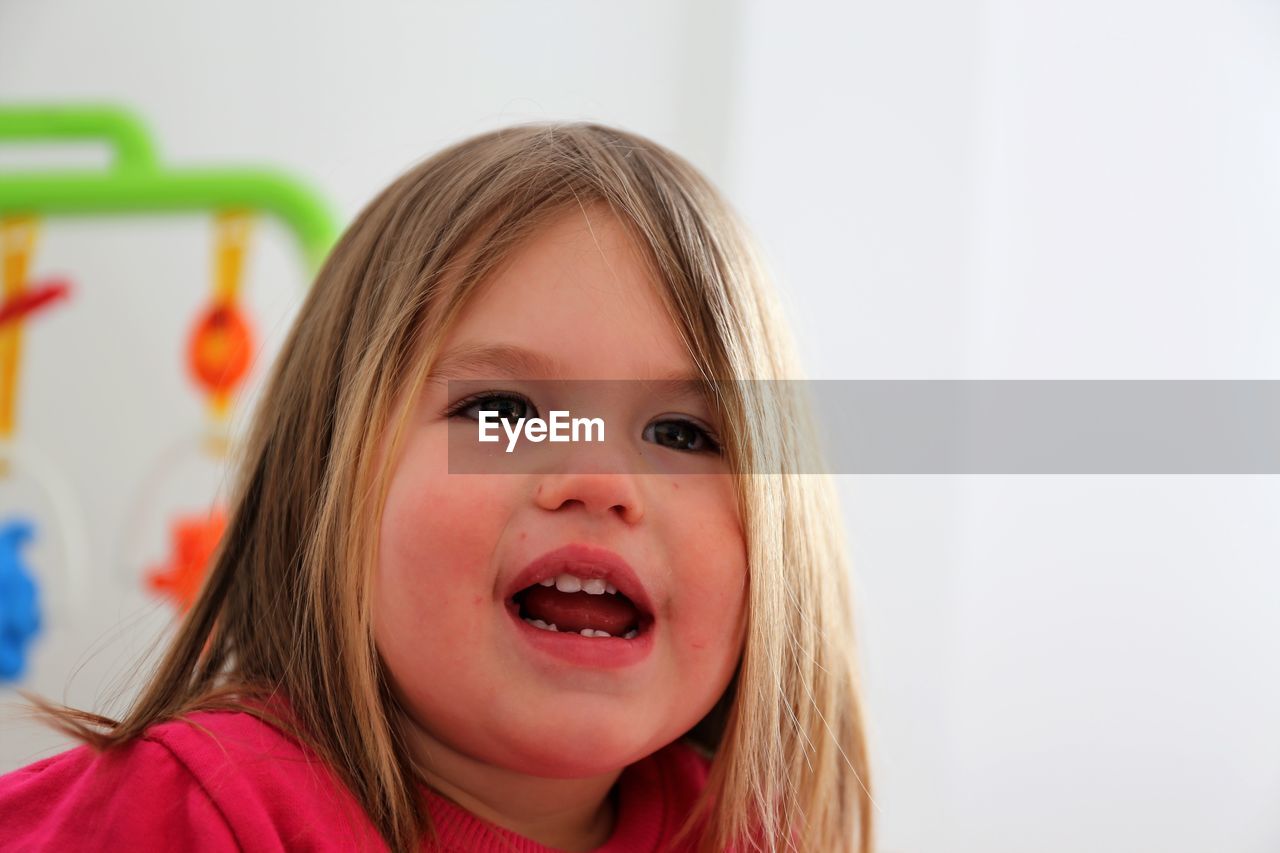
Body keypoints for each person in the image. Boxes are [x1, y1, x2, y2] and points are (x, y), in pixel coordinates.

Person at [0, 123, 873, 852]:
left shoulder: (745, 836)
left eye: (682, 434)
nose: (602, 480)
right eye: (504, 410)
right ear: (326, 482)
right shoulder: (186, 816)